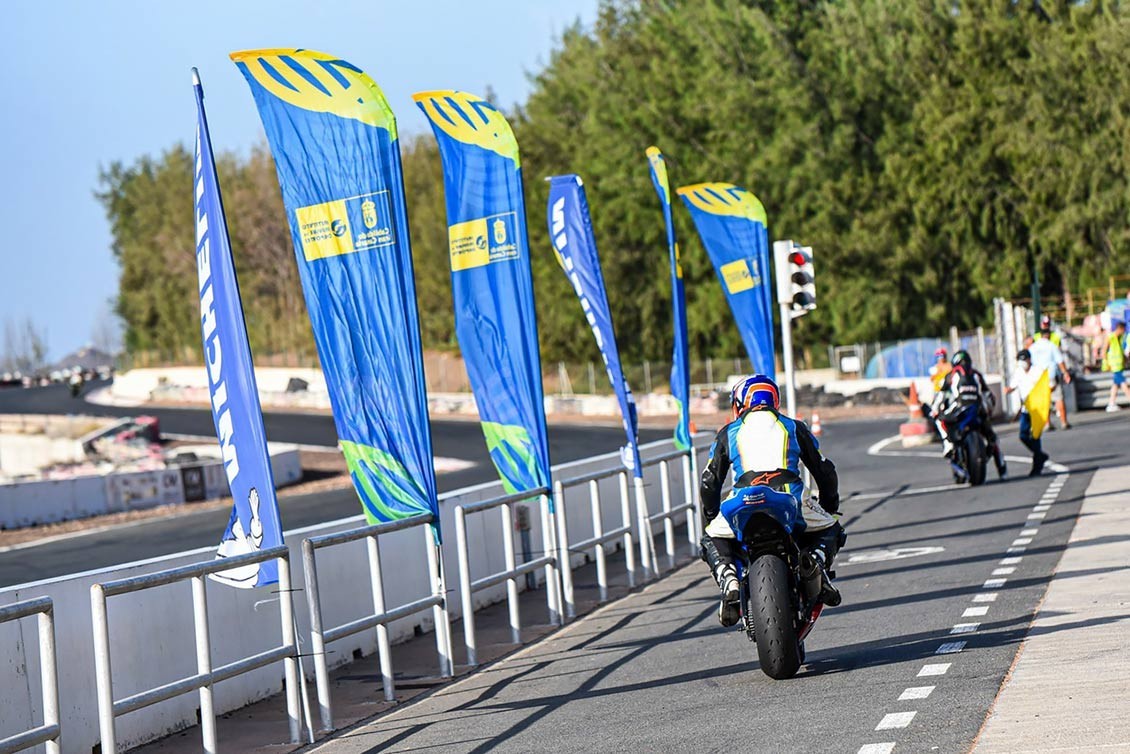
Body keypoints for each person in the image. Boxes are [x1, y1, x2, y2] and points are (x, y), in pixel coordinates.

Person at [699, 375, 846, 627]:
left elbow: (709, 481)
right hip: (791, 499)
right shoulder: (792, 426)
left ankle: (729, 577)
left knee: (710, 538)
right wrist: (829, 506)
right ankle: (816, 561)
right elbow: (825, 470)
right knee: (832, 527)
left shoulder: (728, 432)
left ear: (739, 403)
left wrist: (711, 514)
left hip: (742, 499)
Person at [931, 350, 1007, 479]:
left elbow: (941, 395)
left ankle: (948, 444)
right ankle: (1002, 469)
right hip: (977, 409)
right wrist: (989, 411)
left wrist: (934, 410)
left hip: (959, 408)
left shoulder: (951, 375)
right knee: (993, 438)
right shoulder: (977, 375)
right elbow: (989, 396)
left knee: (939, 420)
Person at [1003, 349, 1050, 476]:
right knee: (1023, 435)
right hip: (1026, 409)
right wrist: (1007, 390)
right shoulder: (1018, 373)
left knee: (1035, 437)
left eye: (1024, 360)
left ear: (1029, 360)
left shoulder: (1037, 371)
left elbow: (1046, 386)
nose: (1023, 363)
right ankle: (1040, 455)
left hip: (1037, 408)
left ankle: (1037, 467)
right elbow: (1013, 386)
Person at [1028, 330, 1072, 429]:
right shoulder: (1051, 346)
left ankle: (1047, 423)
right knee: (1058, 399)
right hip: (1051, 375)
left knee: (1044, 400)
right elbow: (1059, 360)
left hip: (1038, 378)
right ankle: (1064, 422)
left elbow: (1029, 363)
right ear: (1048, 336)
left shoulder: (1033, 348)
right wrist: (1065, 373)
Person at [1101, 320, 1130, 412]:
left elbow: (1120, 350)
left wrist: (1125, 360)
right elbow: (1104, 351)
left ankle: (1111, 403)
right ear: (1120, 329)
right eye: (1123, 329)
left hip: (1119, 364)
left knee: (1116, 385)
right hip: (1114, 365)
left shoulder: (1120, 338)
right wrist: (1107, 363)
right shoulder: (1110, 337)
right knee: (1123, 383)